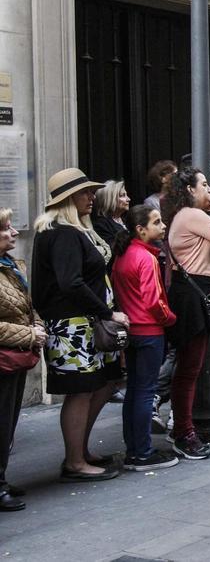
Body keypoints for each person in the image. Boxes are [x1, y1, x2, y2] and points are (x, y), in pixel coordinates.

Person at [31, 168, 126, 481]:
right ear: (70, 198)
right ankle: (74, 460)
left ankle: (80, 450)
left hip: (88, 322)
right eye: (86, 192)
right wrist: (107, 312)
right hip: (72, 324)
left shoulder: (77, 229)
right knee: (81, 390)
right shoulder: (61, 232)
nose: (92, 197)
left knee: (106, 381)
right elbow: (70, 282)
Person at [161, 167, 210, 459]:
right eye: (204, 184)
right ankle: (183, 431)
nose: (209, 189)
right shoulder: (192, 215)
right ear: (191, 190)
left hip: (199, 293)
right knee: (189, 368)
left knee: (191, 366)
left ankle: (182, 426)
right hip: (191, 298)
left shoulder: (189, 217)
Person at [110, 205, 179, 471]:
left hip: (131, 330)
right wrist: (170, 318)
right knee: (145, 392)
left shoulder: (122, 255)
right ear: (141, 229)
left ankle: (135, 448)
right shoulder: (146, 258)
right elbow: (154, 301)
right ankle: (141, 452)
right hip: (149, 331)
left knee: (135, 392)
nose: (162, 226)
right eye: (157, 222)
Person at [0, 207, 46, 510]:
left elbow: (30, 306)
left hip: (14, 356)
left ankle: (1, 477)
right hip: (5, 353)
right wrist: (30, 335)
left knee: (8, 421)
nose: (14, 232)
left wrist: (37, 326)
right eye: (6, 228)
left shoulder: (11, 266)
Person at [92, 180, 131, 248]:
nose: (128, 199)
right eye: (122, 195)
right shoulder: (101, 225)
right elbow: (113, 250)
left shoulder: (126, 220)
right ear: (109, 199)